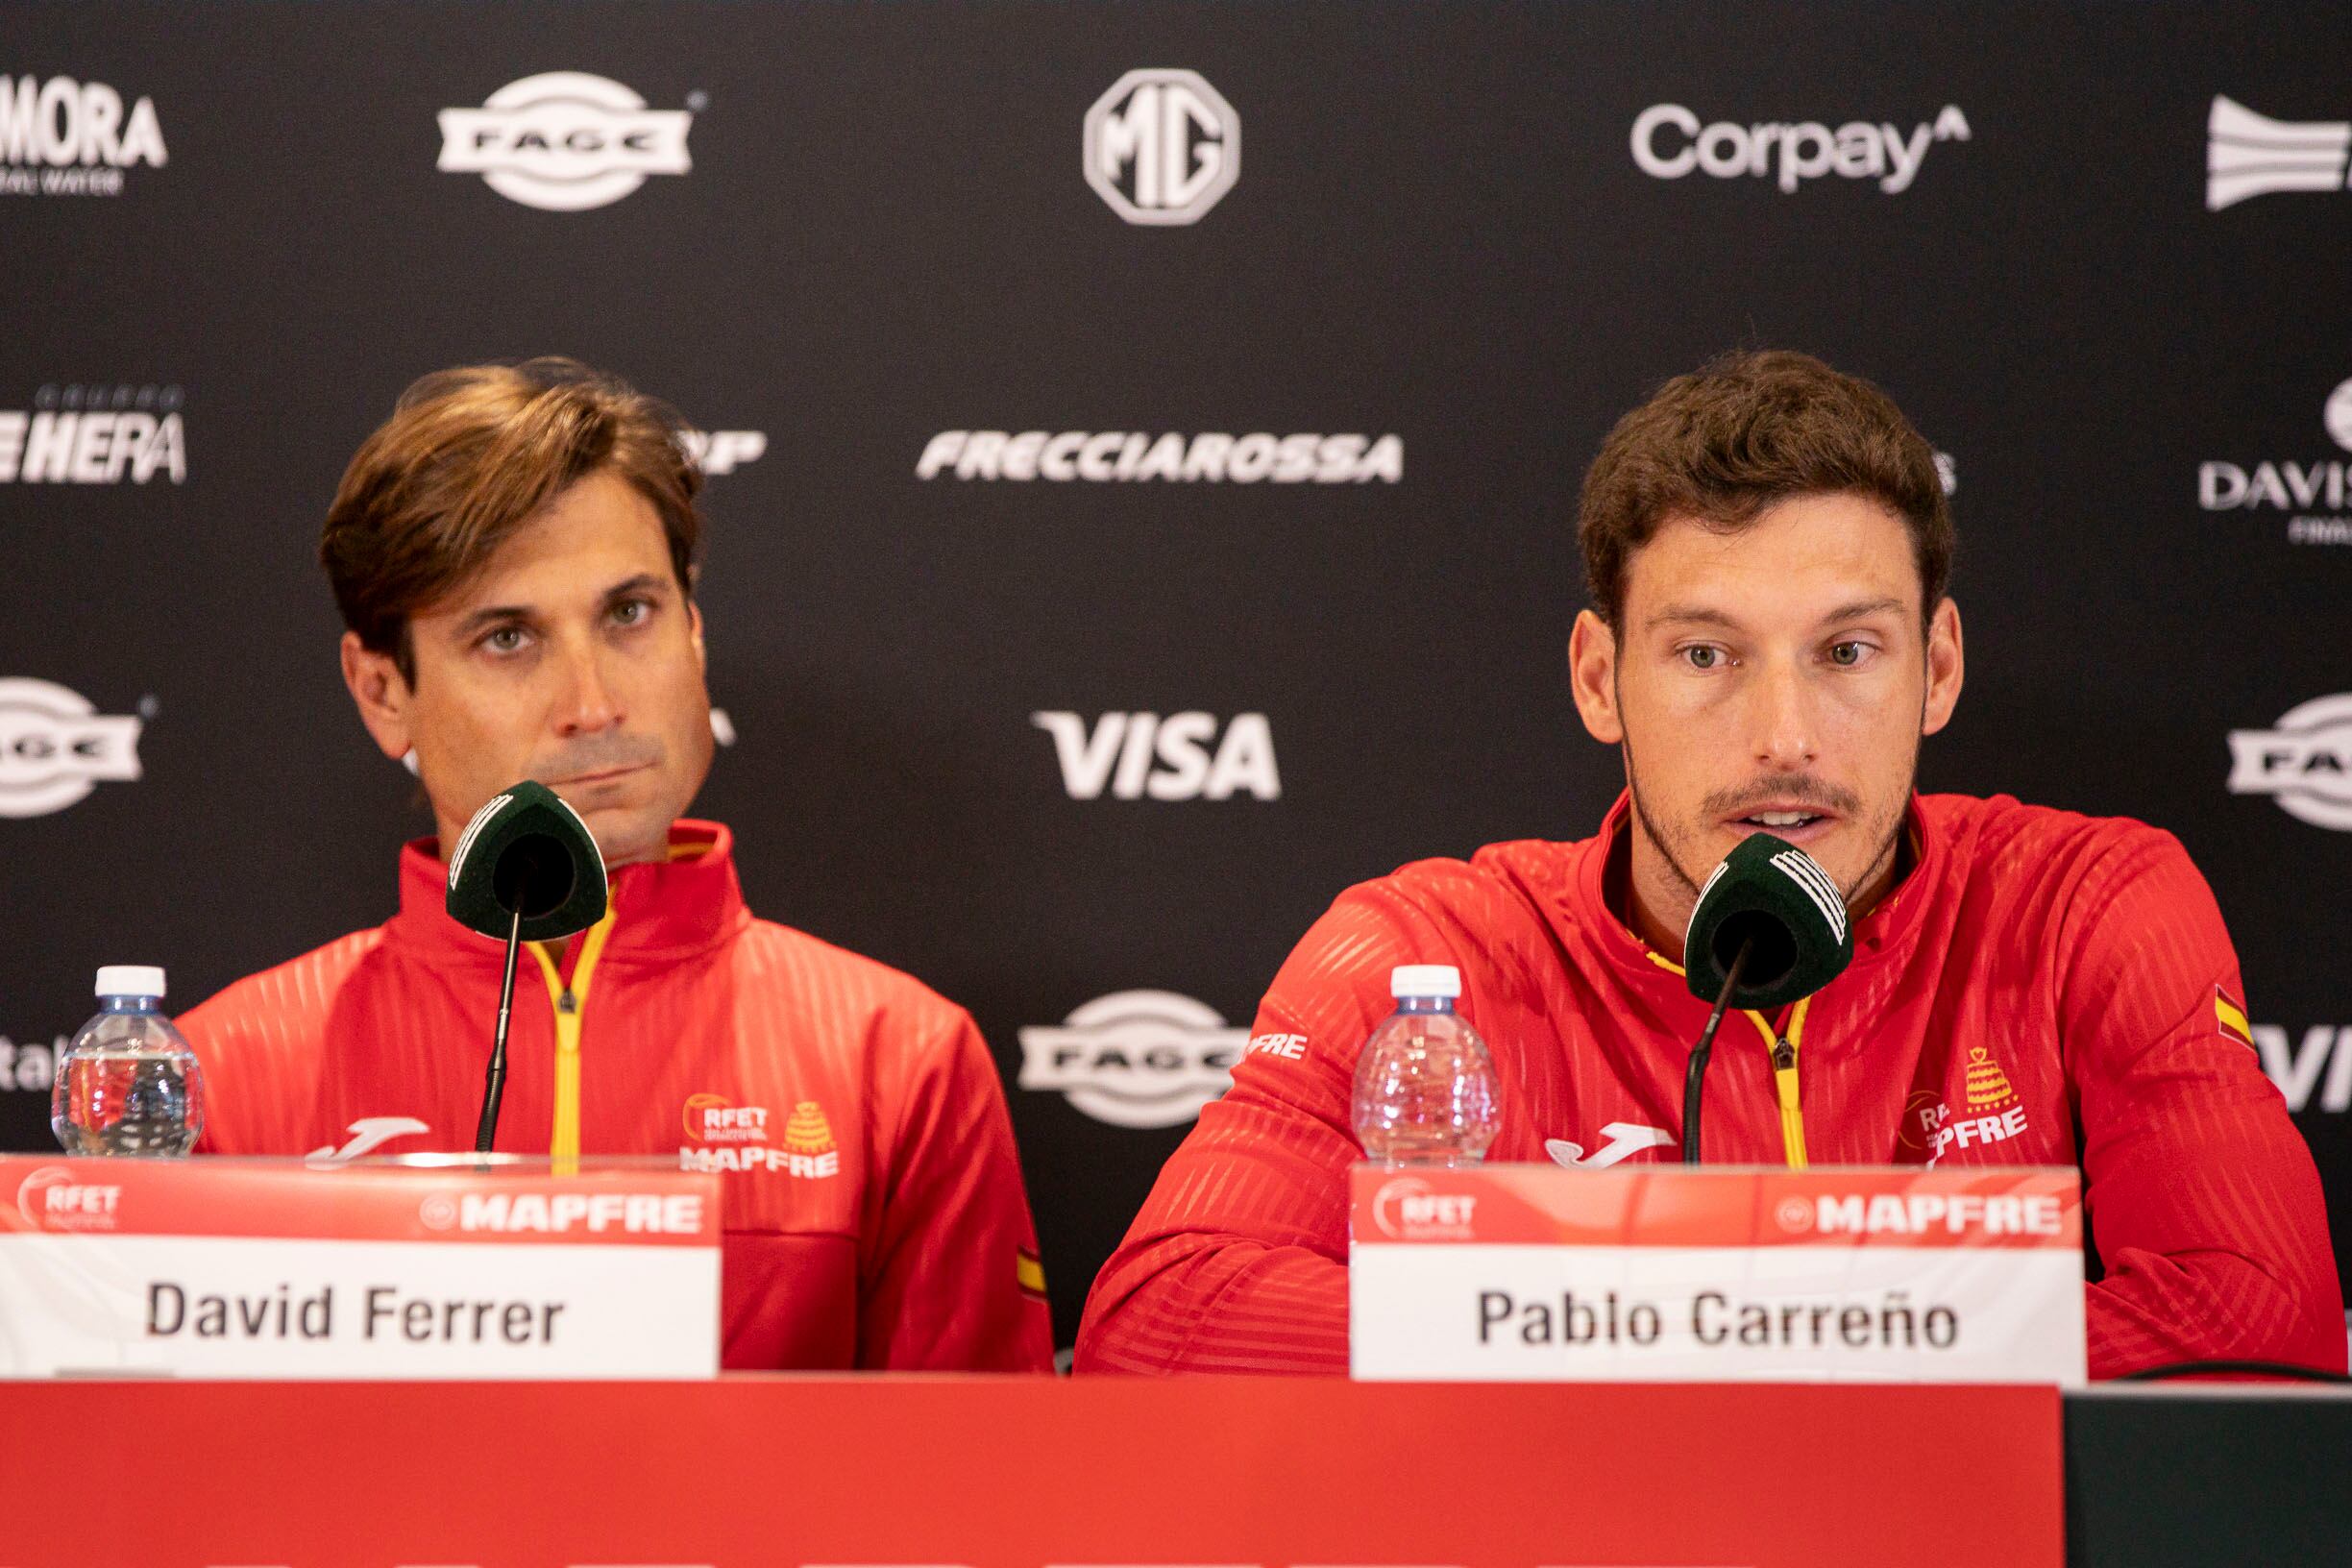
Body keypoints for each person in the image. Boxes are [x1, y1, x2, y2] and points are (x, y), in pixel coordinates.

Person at [1077, 350, 2344, 1379]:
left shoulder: (2086, 907)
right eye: (1705, 656)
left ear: (1939, 668)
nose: (1784, 739)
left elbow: (2263, 1313)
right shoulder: (1427, 951)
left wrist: (1703, 1348)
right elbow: (1167, 1321)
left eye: (1848, 653)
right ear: (1597, 678)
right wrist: (1722, 1345)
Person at [184, 357, 1052, 1372]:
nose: (593, 703)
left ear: (693, 631)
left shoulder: (899, 1060)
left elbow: (973, 1503)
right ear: (382, 692)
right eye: (508, 638)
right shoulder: (225, 1078)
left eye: (628, 614)